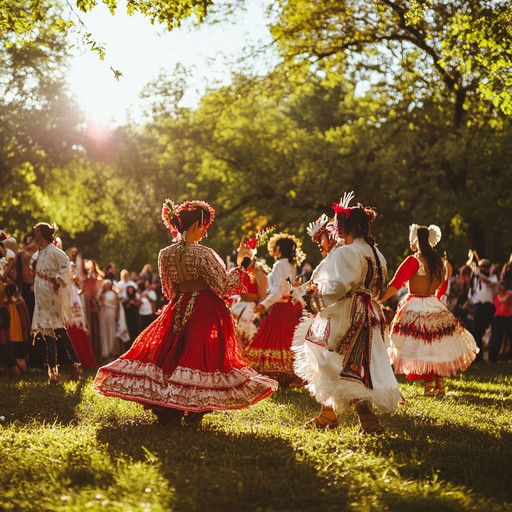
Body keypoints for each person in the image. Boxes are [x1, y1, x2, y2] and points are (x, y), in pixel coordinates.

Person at [94, 198, 277, 425]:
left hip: (178, 307)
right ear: (195, 226)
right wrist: (243, 268)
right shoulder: (202, 254)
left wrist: (183, 298)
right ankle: (194, 408)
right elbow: (222, 285)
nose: (204, 232)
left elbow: (169, 289)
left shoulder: (165, 254)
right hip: (205, 308)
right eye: (203, 227)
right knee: (200, 357)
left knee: (174, 354)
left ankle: (170, 408)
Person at [292, 192, 401, 433]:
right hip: (369, 311)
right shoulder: (376, 253)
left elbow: (338, 286)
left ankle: (366, 421)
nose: (337, 229)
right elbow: (378, 286)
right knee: (351, 363)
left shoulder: (347, 252)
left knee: (335, 361)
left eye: (339, 224)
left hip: (348, 311)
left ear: (348, 226)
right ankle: (327, 416)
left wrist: (314, 301)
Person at [381, 224, 479, 397]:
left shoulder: (413, 261)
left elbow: (396, 284)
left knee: (423, 345)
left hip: (416, 304)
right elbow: (441, 287)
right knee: (437, 344)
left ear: (416, 241)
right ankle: (439, 385)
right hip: (434, 303)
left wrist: (377, 299)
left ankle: (428, 387)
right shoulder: (439, 262)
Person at [244, 232, 305, 385]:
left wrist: (263, 304)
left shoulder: (280, 265)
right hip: (289, 307)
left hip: (280, 308)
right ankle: (286, 373)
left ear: (279, 249)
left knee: (272, 338)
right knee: (285, 341)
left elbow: (278, 290)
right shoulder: (291, 265)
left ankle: (277, 373)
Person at [30, 223, 82, 384]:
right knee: (47, 333)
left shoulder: (55, 252)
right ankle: (53, 372)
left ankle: (75, 364)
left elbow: (67, 266)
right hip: (41, 298)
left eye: (37, 232)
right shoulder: (38, 254)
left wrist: (58, 280)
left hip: (53, 296)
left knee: (58, 328)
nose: (35, 234)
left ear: (43, 234)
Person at [230, 228, 272, 347]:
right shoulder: (241, 272)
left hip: (252, 307)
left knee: (247, 334)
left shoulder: (259, 273)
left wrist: (258, 312)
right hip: (239, 304)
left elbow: (263, 295)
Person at [466, 258, 498, 361]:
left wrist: (480, 274)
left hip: (489, 308)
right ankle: (478, 358)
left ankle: (492, 358)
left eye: (485, 267)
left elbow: (489, 282)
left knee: (490, 333)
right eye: (482, 267)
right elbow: (472, 291)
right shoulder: (476, 279)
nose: (483, 268)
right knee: (476, 332)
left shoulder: (493, 277)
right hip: (478, 307)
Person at [489, 280, 512, 363]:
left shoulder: (509, 294)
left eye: (502, 285)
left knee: (510, 337)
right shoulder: (496, 297)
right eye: (499, 286)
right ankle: (493, 358)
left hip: (508, 317)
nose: (500, 287)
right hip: (498, 318)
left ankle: (510, 357)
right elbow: (502, 301)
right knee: (497, 337)